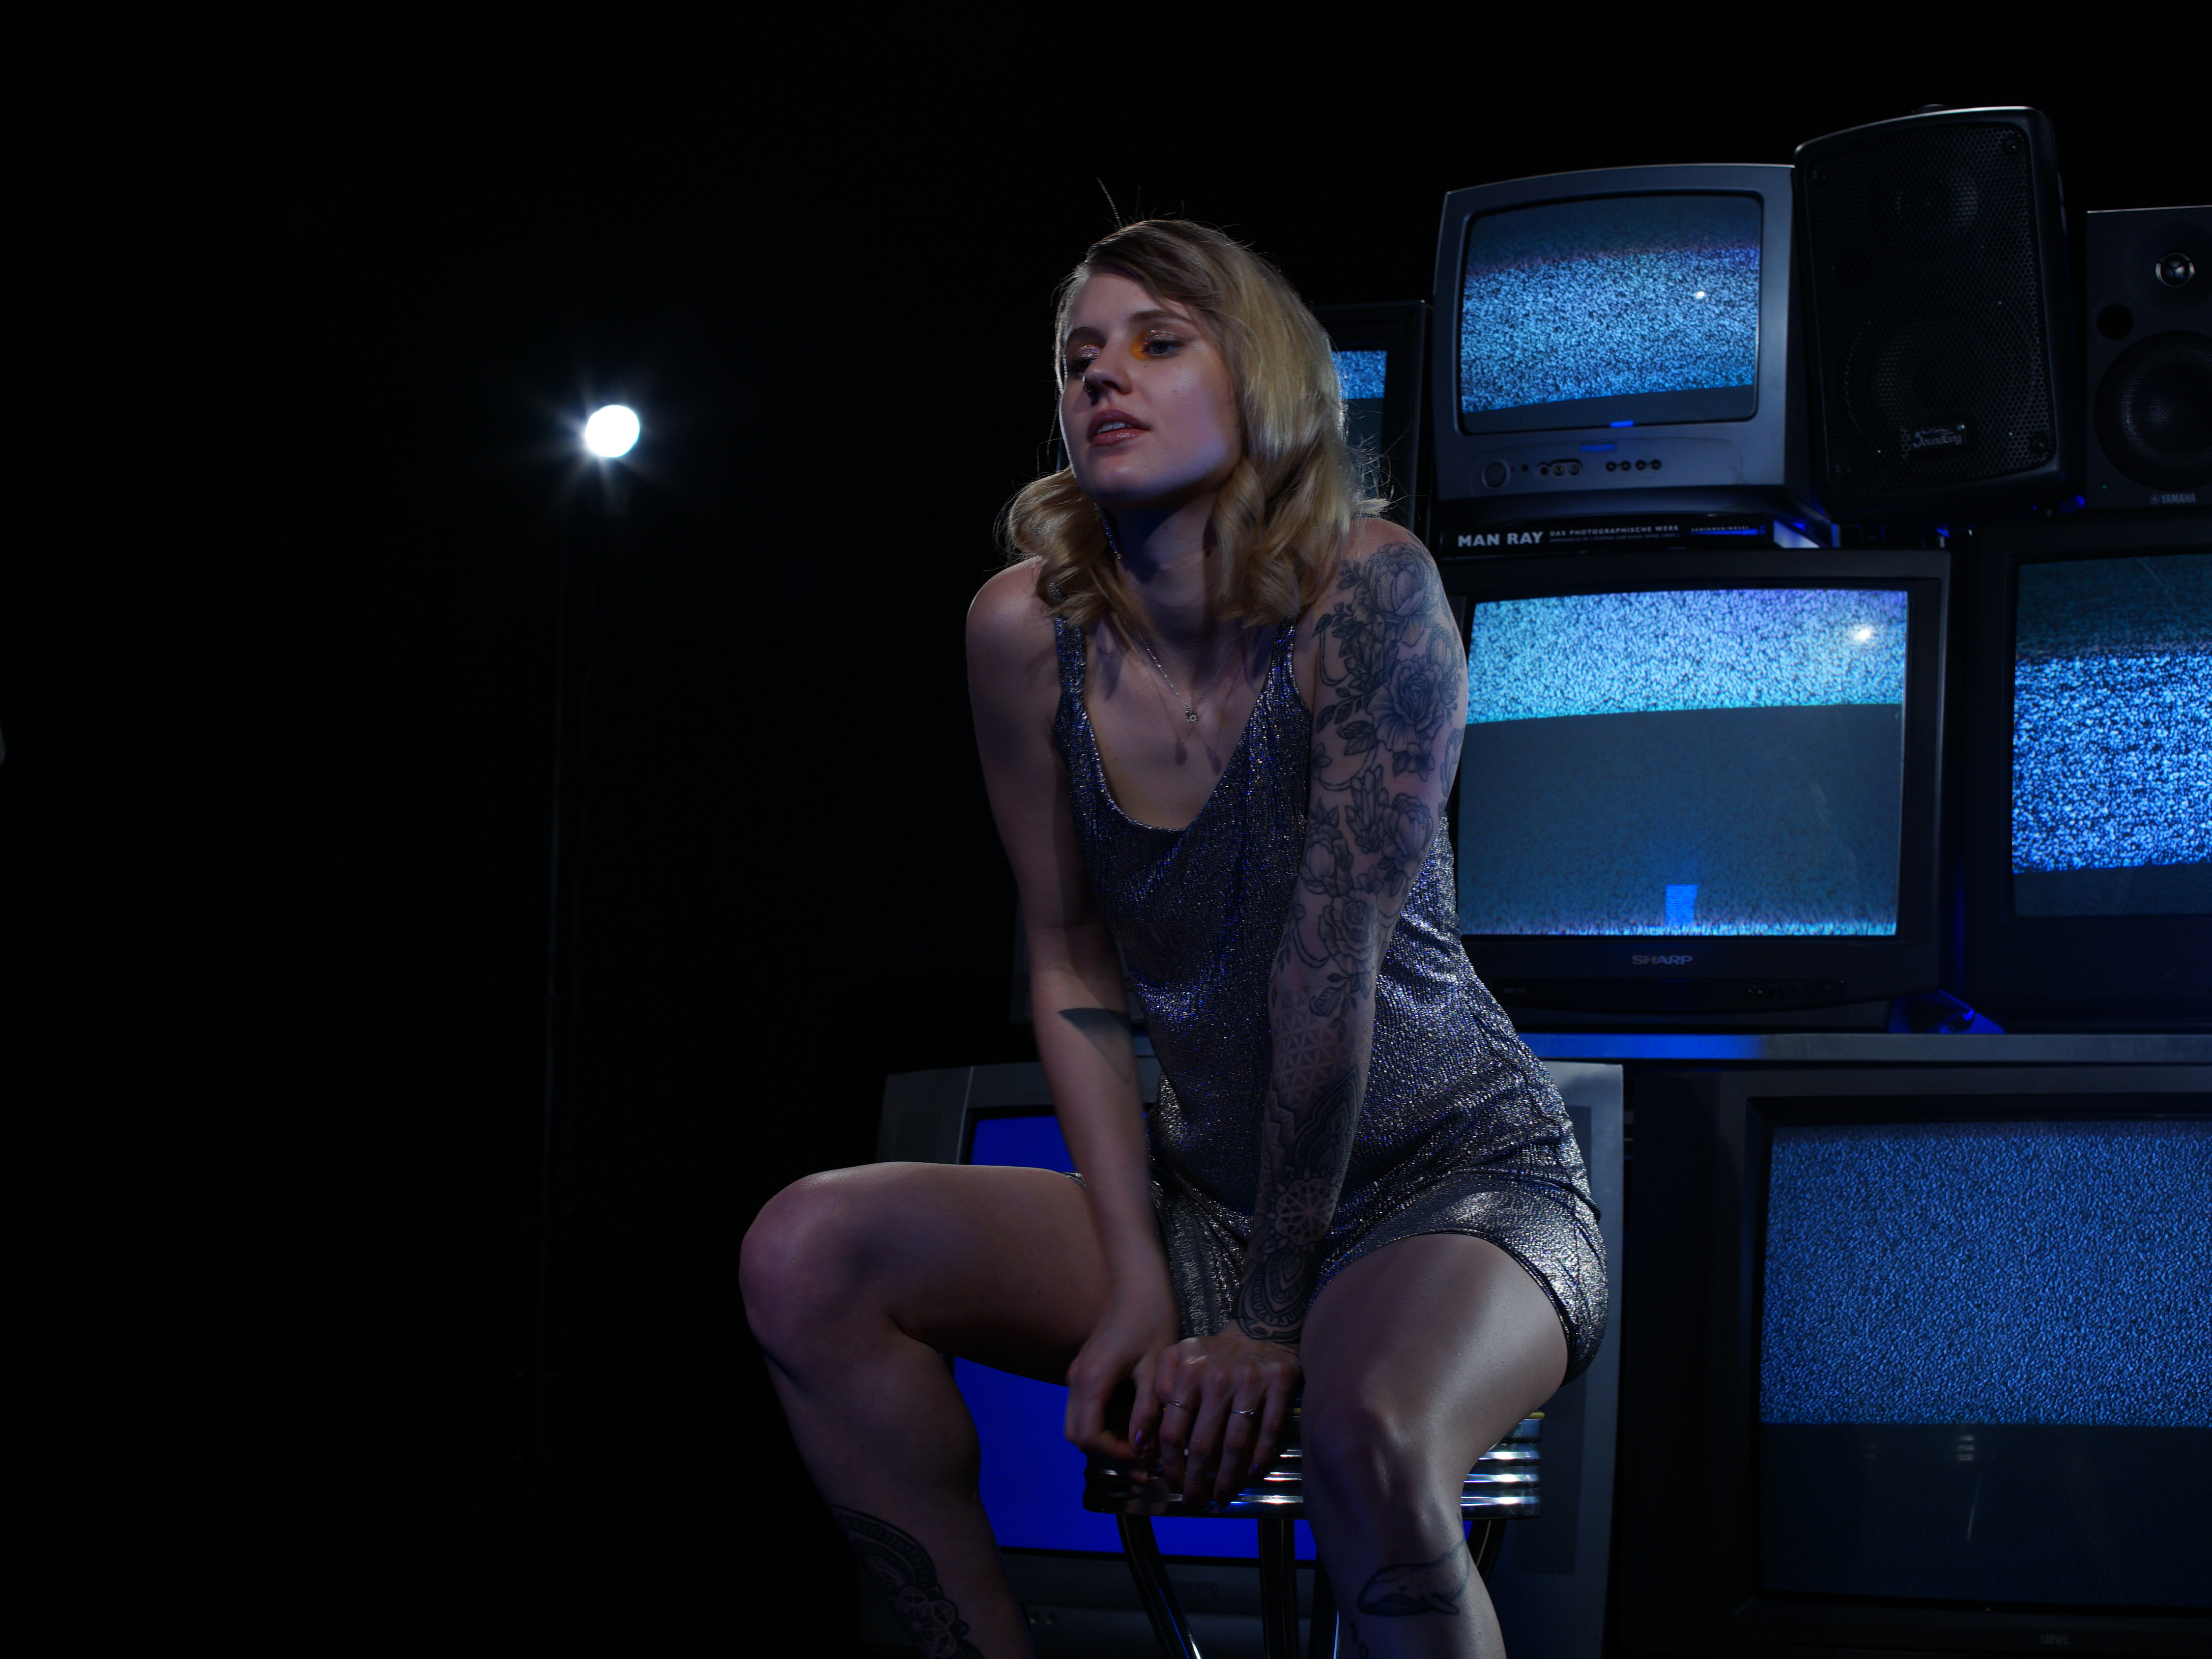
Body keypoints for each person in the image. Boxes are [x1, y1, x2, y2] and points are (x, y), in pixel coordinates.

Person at [741, 220, 1606, 1659]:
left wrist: (1264, 1325)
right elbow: (1068, 958)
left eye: (1158, 343)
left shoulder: (1369, 593)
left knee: (1369, 1432)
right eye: (1080, 357)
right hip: (1209, 1201)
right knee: (804, 1252)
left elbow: (1326, 969)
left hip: (1449, 1183)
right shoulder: (1023, 633)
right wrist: (1140, 1272)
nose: (1104, 378)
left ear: (1260, 380)